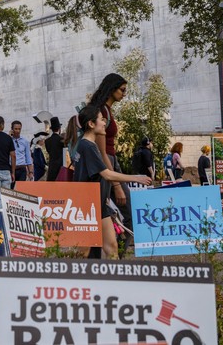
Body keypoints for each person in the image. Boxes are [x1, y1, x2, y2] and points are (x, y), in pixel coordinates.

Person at [74, 105, 152, 258]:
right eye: (101, 120)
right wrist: (136, 178)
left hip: (99, 204)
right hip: (87, 207)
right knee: (83, 252)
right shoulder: (87, 146)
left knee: (112, 247)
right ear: (91, 124)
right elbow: (107, 175)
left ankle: (113, 281)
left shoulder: (88, 145)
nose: (105, 123)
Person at [87, 73, 129, 207]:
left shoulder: (106, 110)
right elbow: (102, 151)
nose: (124, 94)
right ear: (112, 89)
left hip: (111, 161)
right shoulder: (102, 112)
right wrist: (116, 186)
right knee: (107, 208)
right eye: (122, 90)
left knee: (123, 206)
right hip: (105, 163)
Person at [10, 120, 33, 186]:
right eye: (16, 129)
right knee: (11, 190)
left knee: (20, 190)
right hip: (11, 169)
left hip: (22, 169)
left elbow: (28, 158)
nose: (17, 131)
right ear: (12, 129)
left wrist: (30, 172)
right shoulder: (9, 141)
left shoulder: (25, 141)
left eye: (19, 129)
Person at [45, 117, 64, 181]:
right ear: (59, 128)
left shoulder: (47, 141)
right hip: (61, 168)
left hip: (52, 167)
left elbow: (48, 151)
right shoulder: (62, 140)